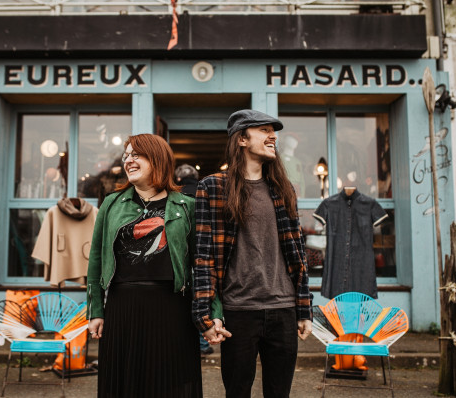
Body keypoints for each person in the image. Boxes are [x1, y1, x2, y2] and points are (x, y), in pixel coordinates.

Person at [193, 109, 313, 398]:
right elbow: (202, 257)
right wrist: (205, 316)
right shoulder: (213, 187)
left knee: (279, 392)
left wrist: (303, 307)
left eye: (273, 131)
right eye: (263, 130)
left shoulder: (283, 189)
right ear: (242, 140)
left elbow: (297, 252)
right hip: (238, 312)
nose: (272, 136)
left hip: (283, 310)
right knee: (237, 392)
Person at [87, 134, 202, 398]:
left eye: (136, 154)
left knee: (169, 382)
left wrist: (209, 310)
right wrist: (96, 310)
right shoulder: (111, 204)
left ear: (157, 159)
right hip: (122, 308)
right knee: (126, 383)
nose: (129, 160)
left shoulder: (187, 206)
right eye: (126, 155)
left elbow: (202, 265)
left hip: (172, 309)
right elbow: (95, 260)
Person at [174, 163, 214, 356]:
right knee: (200, 297)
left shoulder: (174, 194)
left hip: (181, 253)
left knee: (182, 300)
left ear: (178, 178)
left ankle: (184, 344)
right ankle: (203, 344)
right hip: (203, 250)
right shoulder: (203, 189)